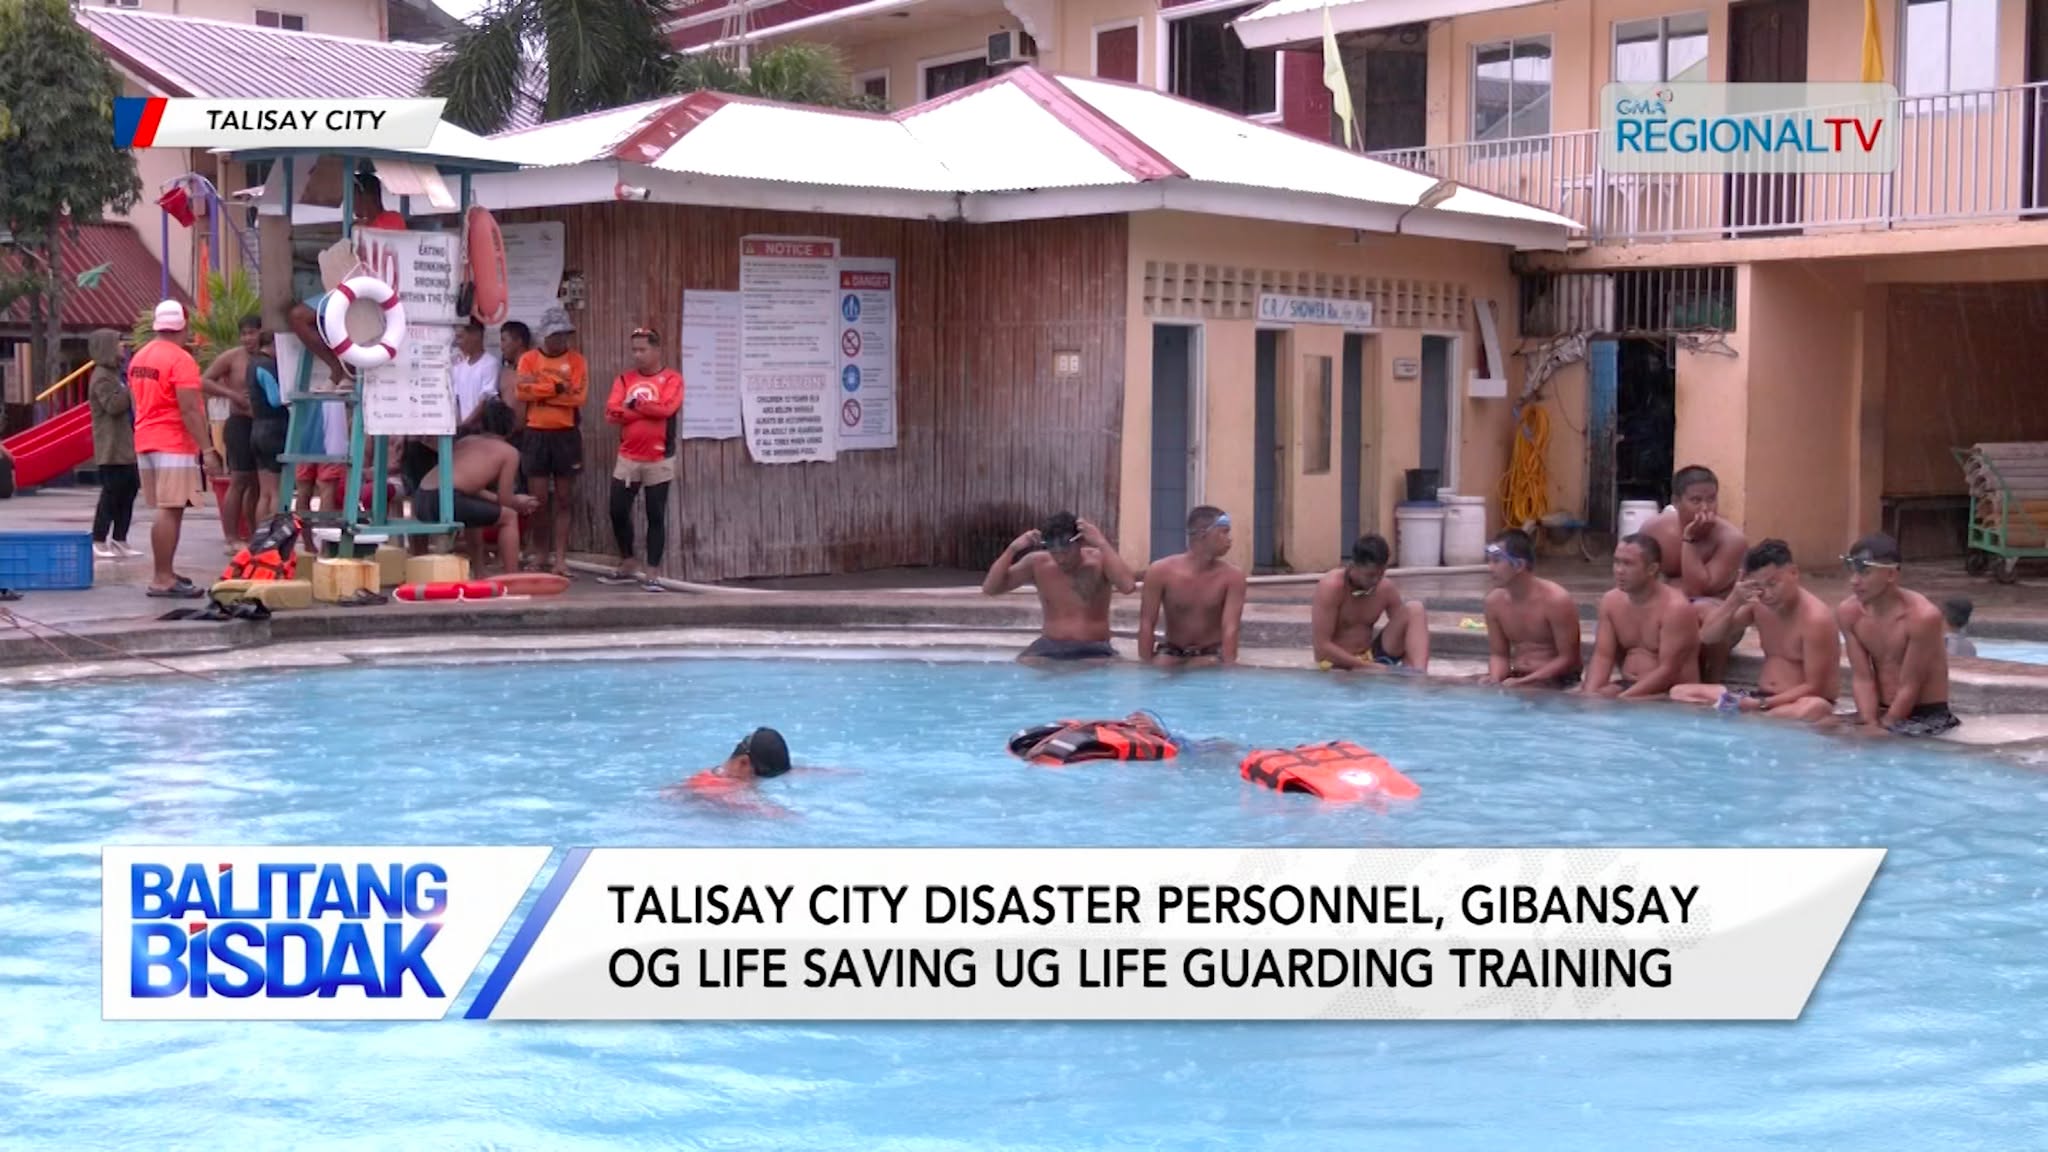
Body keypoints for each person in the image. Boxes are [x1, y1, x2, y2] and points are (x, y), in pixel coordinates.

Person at [1670, 539, 1840, 721]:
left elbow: (1816, 687)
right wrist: (1734, 600)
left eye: (1773, 584)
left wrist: (1762, 705)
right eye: (1758, 587)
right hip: (1758, 698)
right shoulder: (1758, 606)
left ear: (1794, 573)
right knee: (1680, 692)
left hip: (1794, 702)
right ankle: (1757, 720)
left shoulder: (1815, 619)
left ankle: (1755, 719)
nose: (1767, 593)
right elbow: (1707, 636)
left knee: (1815, 707)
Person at [1836, 534, 1959, 737]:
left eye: (1864, 572)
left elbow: (1910, 685)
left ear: (1891, 574)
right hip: (1881, 710)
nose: (1854, 581)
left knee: (1883, 741)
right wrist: (1869, 721)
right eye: (1852, 571)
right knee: (1821, 726)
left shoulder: (1922, 617)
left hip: (1926, 716)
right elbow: (1862, 678)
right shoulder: (1849, 613)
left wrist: (1886, 726)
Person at [128, 301, 210, 598]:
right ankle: (162, 578)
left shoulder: (139, 357)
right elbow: (189, 410)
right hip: (173, 441)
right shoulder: (181, 360)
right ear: (184, 326)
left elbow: (136, 402)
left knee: (167, 507)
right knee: (170, 508)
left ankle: (166, 571)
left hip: (146, 438)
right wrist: (208, 449)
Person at [981, 511, 1138, 662]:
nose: (1060, 559)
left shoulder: (1100, 561)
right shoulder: (1037, 563)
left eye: (1065, 552)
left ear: (1080, 542)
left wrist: (1101, 542)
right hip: (1048, 647)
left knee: (1100, 667)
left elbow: (1128, 586)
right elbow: (990, 588)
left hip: (1093, 649)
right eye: (1054, 553)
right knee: (1027, 662)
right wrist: (1012, 549)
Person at [1640, 465, 1747, 682]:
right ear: (1677, 502)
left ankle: (1711, 681)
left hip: (1716, 624)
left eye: (1712, 499)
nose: (1705, 508)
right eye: (1696, 501)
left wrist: (1690, 541)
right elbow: (1636, 578)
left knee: (1699, 608)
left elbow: (1696, 590)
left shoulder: (1732, 540)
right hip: (1669, 614)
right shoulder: (1654, 530)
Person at [600, 326, 684, 590]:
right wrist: (645, 410)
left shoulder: (671, 379)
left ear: (657, 350)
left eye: (642, 350)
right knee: (617, 510)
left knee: (655, 513)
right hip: (628, 457)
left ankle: (652, 572)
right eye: (634, 350)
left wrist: (634, 405)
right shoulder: (624, 380)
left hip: (659, 458)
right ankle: (627, 560)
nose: (637, 355)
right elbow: (611, 413)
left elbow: (668, 408)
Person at [413, 403, 539, 576]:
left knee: (473, 513)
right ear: (511, 430)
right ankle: (512, 575)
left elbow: (469, 487)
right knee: (509, 517)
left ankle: (480, 571)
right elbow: (505, 501)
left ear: (482, 425)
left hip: (422, 499)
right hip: (445, 500)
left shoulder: (466, 441)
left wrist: (508, 500)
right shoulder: (509, 452)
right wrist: (517, 501)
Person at [1581, 534, 1701, 700]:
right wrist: (1589, 696)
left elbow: (1669, 670)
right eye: (1616, 562)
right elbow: (1603, 656)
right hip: (1628, 685)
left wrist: (1624, 699)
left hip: (1670, 694)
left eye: (1628, 564)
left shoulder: (1675, 608)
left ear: (1652, 569)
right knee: (1586, 697)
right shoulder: (1610, 601)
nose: (1619, 570)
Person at [515, 305, 588, 577]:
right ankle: (540, 554)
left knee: (565, 498)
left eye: (564, 335)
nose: (560, 341)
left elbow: (578, 397)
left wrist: (541, 391)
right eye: (555, 335)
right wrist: (556, 387)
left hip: (566, 434)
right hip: (536, 433)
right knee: (539, 499)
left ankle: (560, 558)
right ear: (544, 336)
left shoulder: (577, 360)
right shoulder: (529, 360)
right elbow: (522, 392)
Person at [1137, 506, 1247, 667]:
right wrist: (1145, 665)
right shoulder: (1160, 571)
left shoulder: (1232, 577)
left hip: (1210, 652)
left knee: (1204, 666)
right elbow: (1146, 623)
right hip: (1172, 650)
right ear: (1203, 533)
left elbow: (1231, 628)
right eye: (1224, 532)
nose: (1229, 539)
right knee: (1160, 667)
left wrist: (1228, 668)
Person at [1310, 533, 1430, 673]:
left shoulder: (1384, 588)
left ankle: (1420, 677)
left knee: (1415, 609)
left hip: (1371, 657)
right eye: (1370, 575)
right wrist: (1369, 667)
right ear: (1354, 565)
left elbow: (1406, 633)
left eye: (1381, 574)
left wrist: (1410, 665)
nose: (1375, 581)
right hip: (1337, 662)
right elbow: (1321, 649)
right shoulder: (1332, 587)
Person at [1479, 528, 1583, 688]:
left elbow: (1568, 659)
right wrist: (1494, 679)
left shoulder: (1555, 600)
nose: (1490, 568)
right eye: (1489, 560)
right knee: (1454, 685)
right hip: (1518, 676)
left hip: (1557, 679)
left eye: (1496, 561)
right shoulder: (1494, 602)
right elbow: (1499, 655)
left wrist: (1524, 682)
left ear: (1519, 565)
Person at [202, 315, 262, 547]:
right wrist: (232, 394)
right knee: (238, 480)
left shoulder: (269, 356)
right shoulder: (232, 358)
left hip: (263, 425)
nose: (248, 338)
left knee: (258, 482)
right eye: (244, 334)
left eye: (252, 333)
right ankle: (231, 536)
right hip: (239, 423)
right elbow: (204, 381)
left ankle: (255, 533)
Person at [86, 328, 140, 560]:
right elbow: (113, 406)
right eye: (119, 344)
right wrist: (129, 389)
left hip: (126, 446)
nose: (123, 347)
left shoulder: (117, 374)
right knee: (111, 493)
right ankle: (98, 539)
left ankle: (120, 538)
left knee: (129, 490)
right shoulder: (101, 377)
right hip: (110, 447)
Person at [244, 336, 288, 527]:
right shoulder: (267, 365)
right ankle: (275, 538)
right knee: (277, 492)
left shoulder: (251, 364)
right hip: (274, 429)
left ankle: (261, 537)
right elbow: (275, 399)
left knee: (265, 492)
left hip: (257, 428)